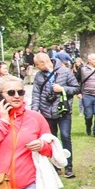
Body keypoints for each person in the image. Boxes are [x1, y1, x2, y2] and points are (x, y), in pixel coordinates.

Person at [31, 51, 78, 179]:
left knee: (65, 136)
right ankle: (56, 166)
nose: (36, 67)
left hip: (63, 111)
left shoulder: (65, 71)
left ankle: (68, 167)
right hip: (46, 112)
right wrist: (34, 112)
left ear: (43, 62)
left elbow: (76, 88)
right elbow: (36, 94)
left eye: (37, 64)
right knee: (51, 140)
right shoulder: (39, 76)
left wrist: (62, 89)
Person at [77, 53, 95, 138]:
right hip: (86, 95)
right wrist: (78, 92)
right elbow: (76, 81)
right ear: (89, 60)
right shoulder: (82, 69)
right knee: (88, 115)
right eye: (94, 59)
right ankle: (88, 126)